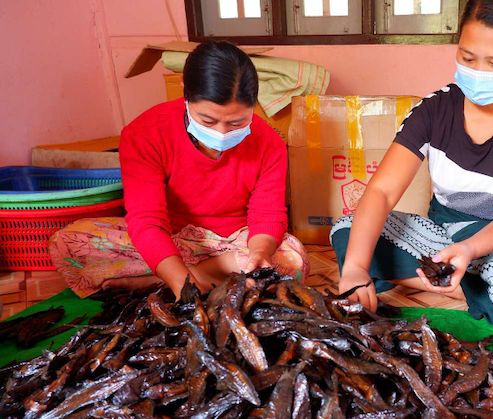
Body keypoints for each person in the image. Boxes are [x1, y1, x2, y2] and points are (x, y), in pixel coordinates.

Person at [333, 0, 493, 332]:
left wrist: (469, 249)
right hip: (439, 241)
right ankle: (471, 287)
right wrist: (356, 267)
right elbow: (383, 191)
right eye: (467, 58)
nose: (478, 72)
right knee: (348, 227)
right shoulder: (434, 109)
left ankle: (441, 279)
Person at [49, 41, 308, 298]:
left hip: (234, 242)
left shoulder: (268, 141)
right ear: (186, 95)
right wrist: (181, 280)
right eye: (208, 120)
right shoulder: (145, 133)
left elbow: (267, 215)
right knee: (68, 242)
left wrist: (259, 255)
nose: (221, 132)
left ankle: (157, 279)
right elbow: (146, 221)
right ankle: (184, 274)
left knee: (290, 257)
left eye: (237, 122)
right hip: (169, 238)